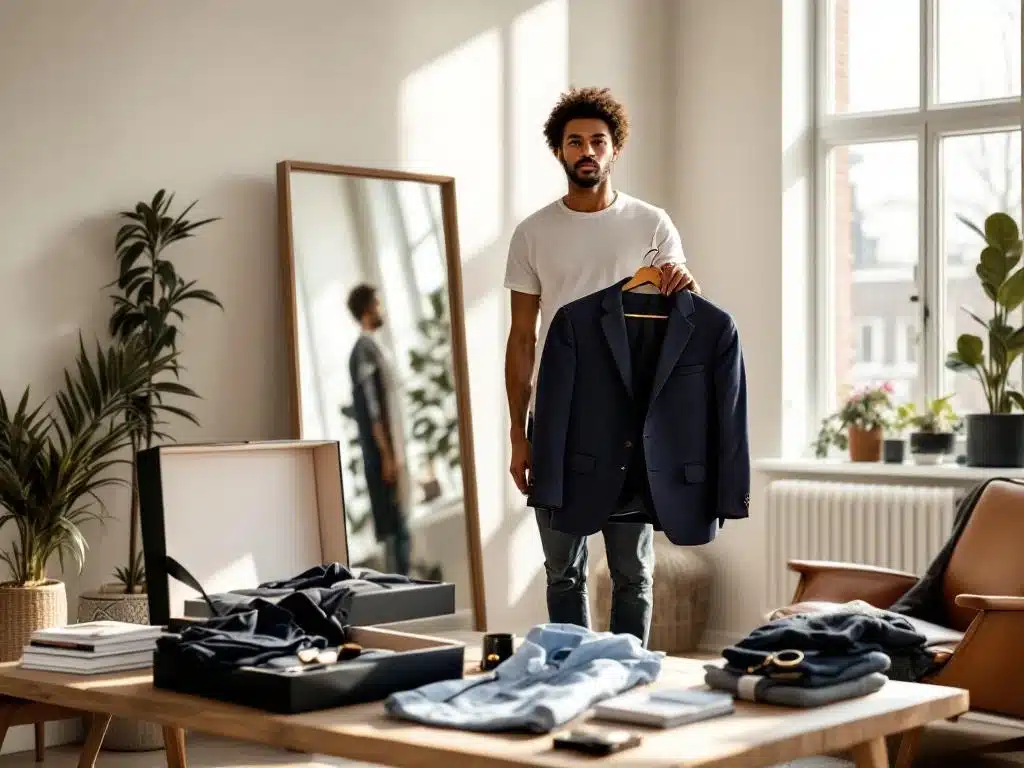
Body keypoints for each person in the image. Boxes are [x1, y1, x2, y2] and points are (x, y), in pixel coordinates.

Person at [503, 86, 700, 646]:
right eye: (575, 142)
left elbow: (679, 317)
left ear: (614, 149)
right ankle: (571, 671)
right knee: (563, 569)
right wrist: (518, 434)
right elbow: (522, 339)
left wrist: (687, 285)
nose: (586, 150)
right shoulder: (533, 233)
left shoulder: (652, 224)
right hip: (558, 421)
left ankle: (628, 674)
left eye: (597, 140)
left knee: (634, 573)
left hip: (631, 423)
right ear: (559, 152)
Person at [346, 283, 412, 576]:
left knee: (400, 529)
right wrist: (386, 454)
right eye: (377, 303)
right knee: (397, 531)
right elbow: (372, 407)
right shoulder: (364, 350)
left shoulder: (373, 347)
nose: (381, 308)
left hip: (390, 451)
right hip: (381, 454)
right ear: (367, 309)